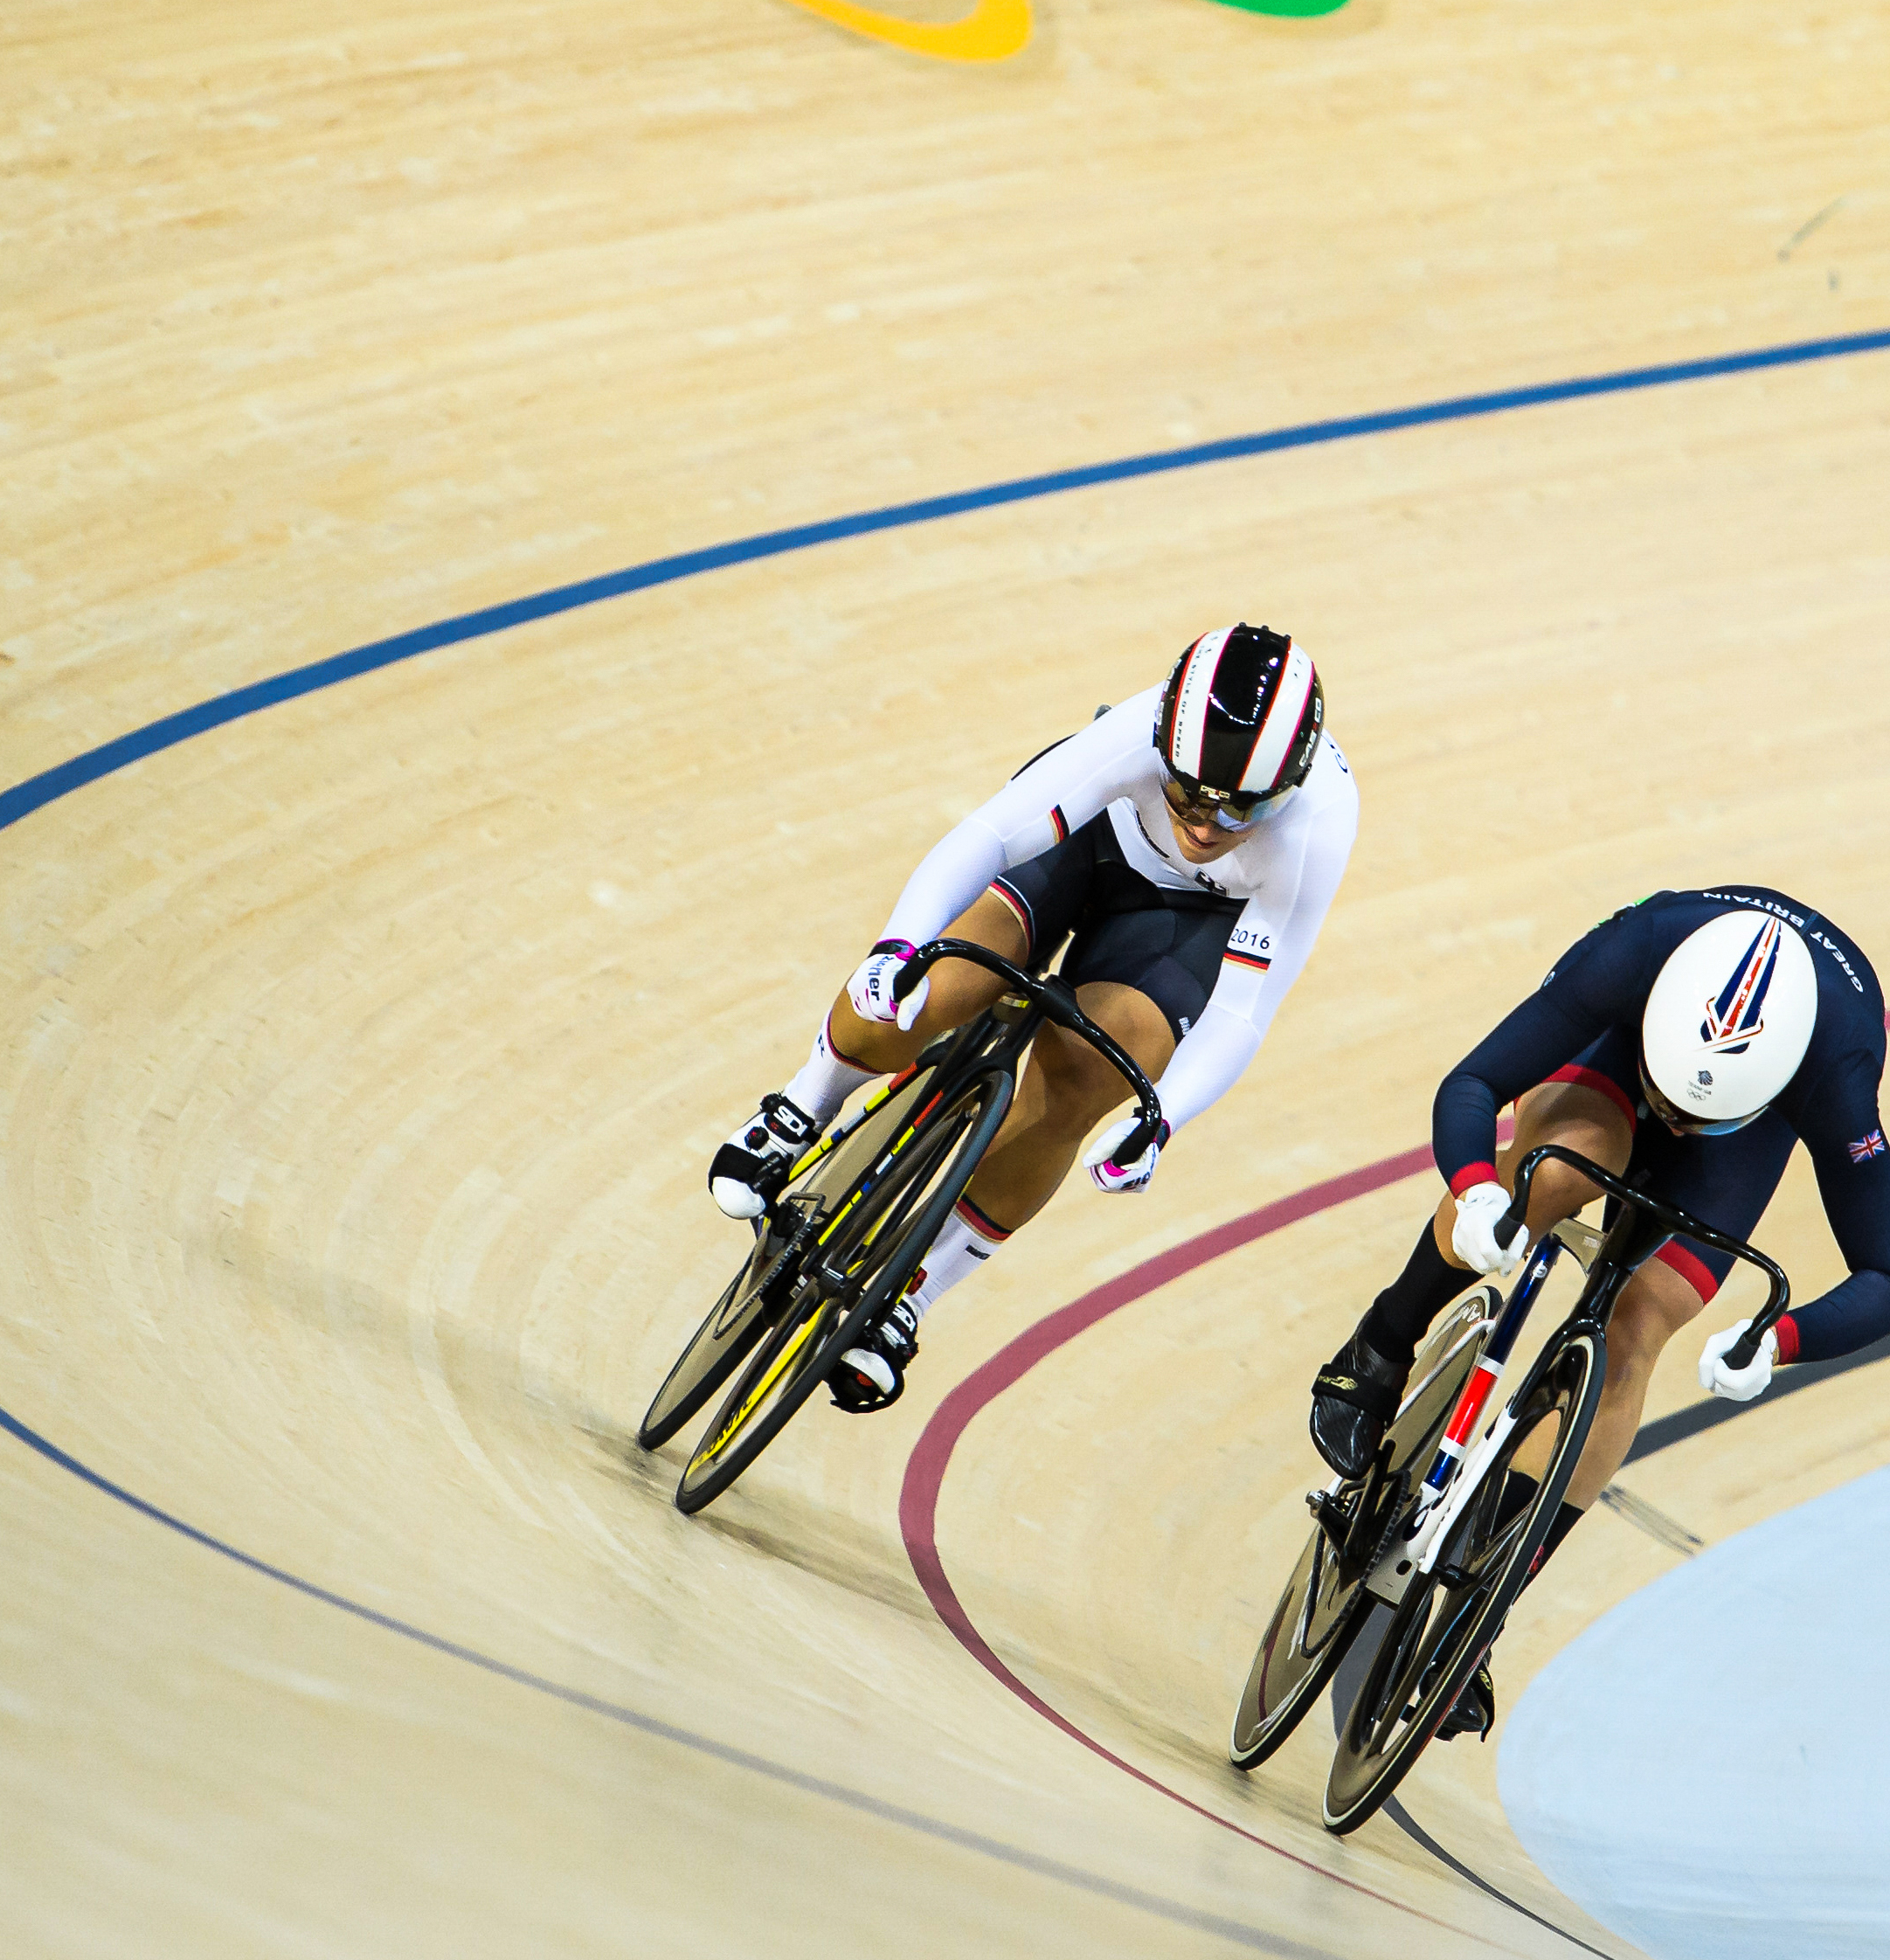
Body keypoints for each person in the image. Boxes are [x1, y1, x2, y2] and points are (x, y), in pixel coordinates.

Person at [708, 626, 1358, 1409]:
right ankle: (803, 1103)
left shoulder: (1320, 820)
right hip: (1089, 848)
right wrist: (896, 948)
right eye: (1189, 794)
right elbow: (986, 836)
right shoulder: (1135, 734)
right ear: (1164, 747)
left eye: (1247, 808)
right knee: (928, 990)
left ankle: (913, 1292)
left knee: (1086, 1076)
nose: (1211, 825)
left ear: (1291, 788)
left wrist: (1163, 1121)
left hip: (1186, 923)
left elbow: (1244, 1010)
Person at [1309, 886, 1888, 1736]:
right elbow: (1475, 1081)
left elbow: (1882, 1269)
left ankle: (1485, 1603)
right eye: (1675, 1100)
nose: (1677, 1125)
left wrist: (1781, 1340)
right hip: (1619, 1054)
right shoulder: (1634, 954)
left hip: (1750, 1134)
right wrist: (1475, 1192)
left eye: (1700, 1115)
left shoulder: (1835, 1065)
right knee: (1551, 1179)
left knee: (1642, 1324)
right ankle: (1380, 1348)